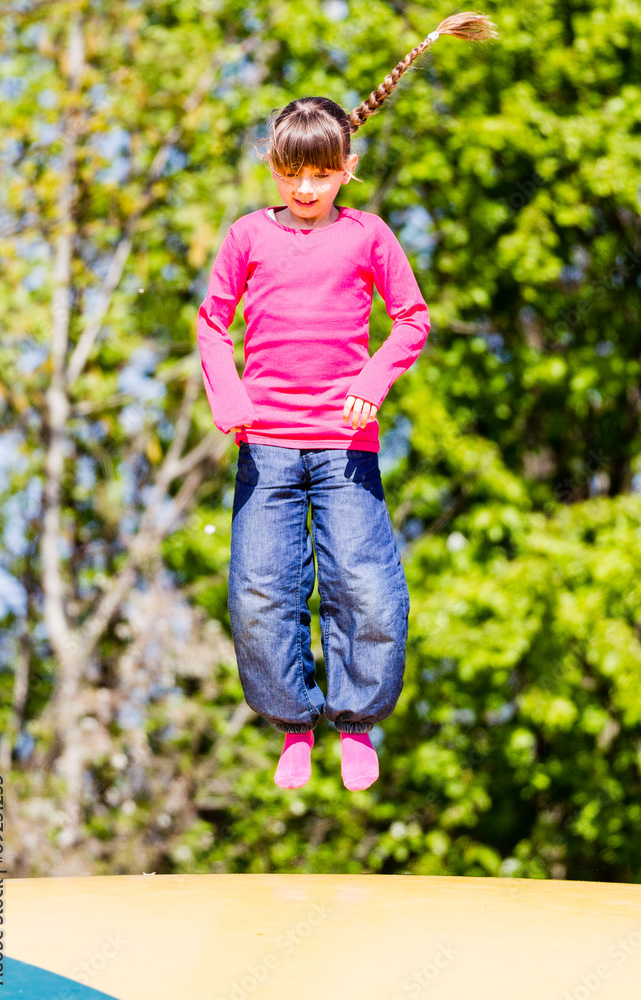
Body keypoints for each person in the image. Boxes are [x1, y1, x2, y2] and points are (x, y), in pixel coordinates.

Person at [196, 14, 498, 791]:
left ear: (345, 168)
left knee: (363, 583)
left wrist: (370, 384)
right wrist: (226, 395)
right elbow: (210, 322)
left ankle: (356, 722)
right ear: (272, 167)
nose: (305, 190)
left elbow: (412, 319)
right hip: (265, 445)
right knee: (262, 590)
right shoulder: (246, 237)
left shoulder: (367, 236)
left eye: (321, 175)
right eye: (291, 175)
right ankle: (295, 726)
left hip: (344, 447)